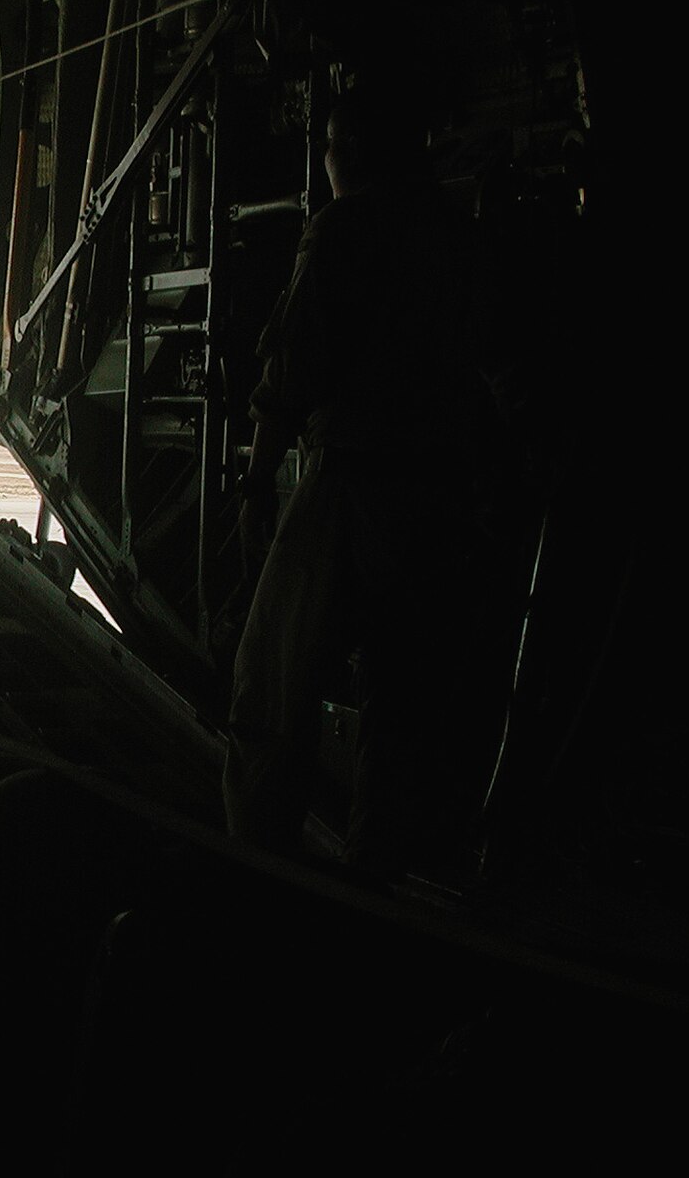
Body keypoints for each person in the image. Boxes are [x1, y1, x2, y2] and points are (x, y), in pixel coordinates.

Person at [224, 84, 503, 878]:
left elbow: (295, 365)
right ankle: (372, 881)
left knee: (271, 685)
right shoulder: (459, 237)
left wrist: (256, 481)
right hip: (439, 498)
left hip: (353, 485)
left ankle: (258, 869)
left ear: (345, 155)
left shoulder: (346, 229)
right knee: (402, 708)